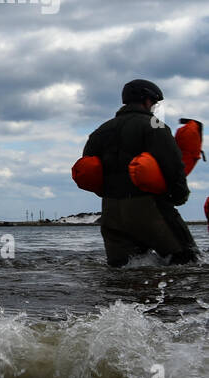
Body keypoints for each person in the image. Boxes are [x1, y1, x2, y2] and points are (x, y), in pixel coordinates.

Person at [82, 78, 198, 266]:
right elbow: (173, 165)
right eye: (154, 103)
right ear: (147, 100)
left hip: (111, 212)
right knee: (187, 261)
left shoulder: (100, 131)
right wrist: (179, 196)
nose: (154, 107)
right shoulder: (155, 126)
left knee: (121, 270)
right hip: (149, 208)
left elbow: (89, 168)